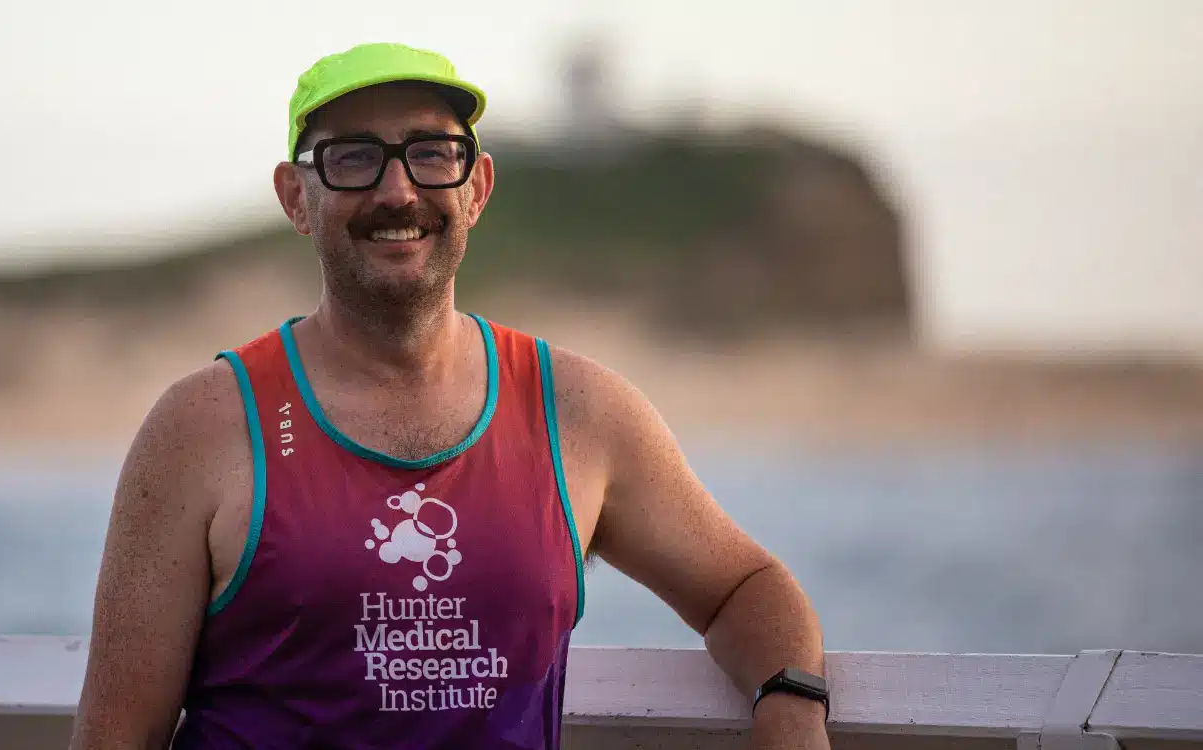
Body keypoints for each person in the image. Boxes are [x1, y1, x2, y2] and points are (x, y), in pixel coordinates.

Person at [69, 42, 830, 750]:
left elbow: (743, 588)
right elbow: (115, 736)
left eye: (432, 152)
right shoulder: (204, 427)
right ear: (295, 198)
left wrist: (790, 706)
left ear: (477, 188)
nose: (397, 190)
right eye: (354, 157)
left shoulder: (579, 413)